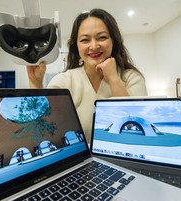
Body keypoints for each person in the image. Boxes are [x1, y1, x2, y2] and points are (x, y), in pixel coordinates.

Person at [27, 8, 147, 142]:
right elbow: (43, 124)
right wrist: (35, 83)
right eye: (85, 40)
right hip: (80, 160)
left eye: (102, 37)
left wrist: (113, 78)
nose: (94, 46)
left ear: (113, 41)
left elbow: (135, 125)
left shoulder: (131, 78)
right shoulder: (65, 80)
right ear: (76, 47)